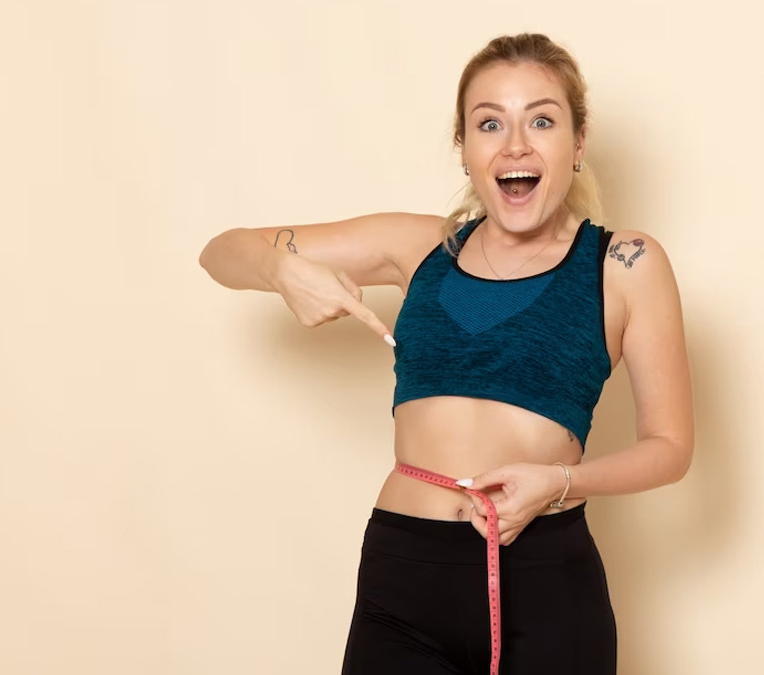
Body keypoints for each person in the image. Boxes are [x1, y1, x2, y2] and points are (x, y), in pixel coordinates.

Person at [199, 33, 693, 675]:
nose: (515, 145)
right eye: (490, 124)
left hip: (546, 581)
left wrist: (560, 482)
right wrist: (280, 270)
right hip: (403, 578)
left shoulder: (623, 263)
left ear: (578, 143)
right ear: (465, 149)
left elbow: (670, 448)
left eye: (542, 120)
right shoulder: (419, 248)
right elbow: (221, 252)